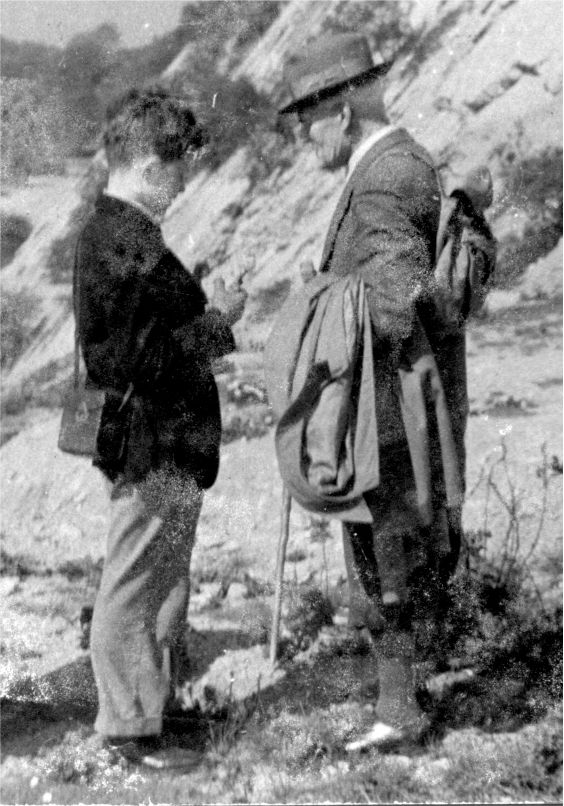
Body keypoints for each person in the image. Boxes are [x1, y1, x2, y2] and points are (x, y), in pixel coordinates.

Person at [277, 34, 490, 751]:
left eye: (303, 119)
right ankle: (405, 700)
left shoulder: (381, 180)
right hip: (401, 394)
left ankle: (400, 715)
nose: (300, 138)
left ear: (338, 111)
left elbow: (397, 303)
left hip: (389, 402)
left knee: (384, 549)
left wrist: (316, 322)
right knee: (396, 545)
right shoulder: (401, 164)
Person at [76, 88, 244, 769]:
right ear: (150, 164)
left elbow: (145, 334)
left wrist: (198, 309)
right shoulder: (121, 234)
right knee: (136, 578)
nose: (182, 184)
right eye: (179, 170)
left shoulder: (121, 231)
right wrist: (219, 319)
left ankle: (155, 710)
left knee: (162, 574)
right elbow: (136, 357)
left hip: (163, 441)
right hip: (150, 441)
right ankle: (125, 727)